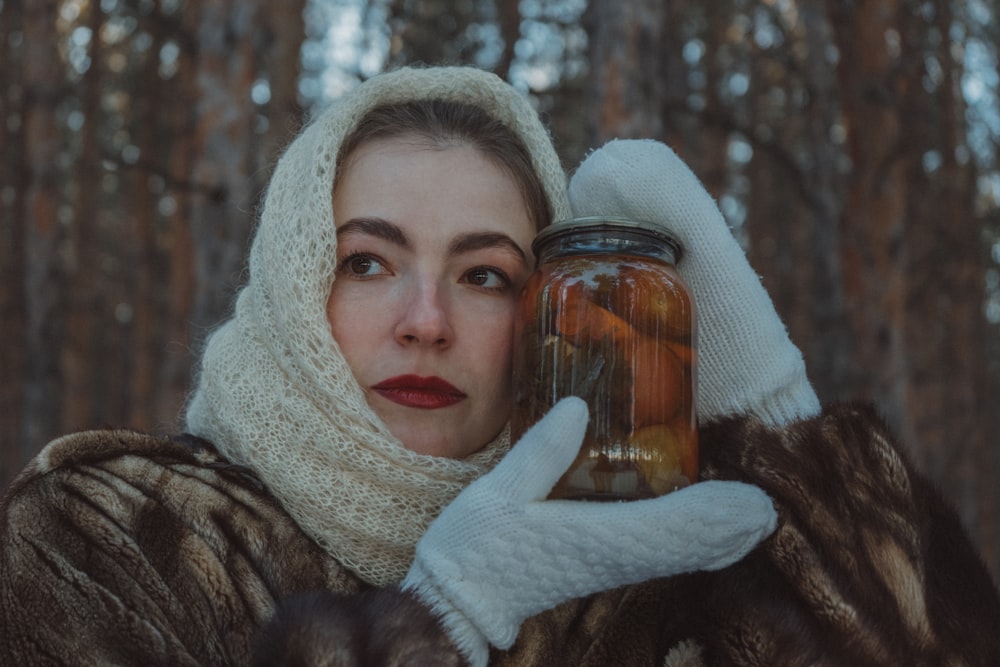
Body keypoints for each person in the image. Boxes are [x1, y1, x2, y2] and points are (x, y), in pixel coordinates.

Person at [0, 65, 997, 667]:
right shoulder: (104, 536)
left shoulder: (640, 564)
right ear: (294, 288)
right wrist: (437, 620)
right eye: (367, 262)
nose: (425, 320)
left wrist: (787, 436)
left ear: (548, 319)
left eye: (483, 274)